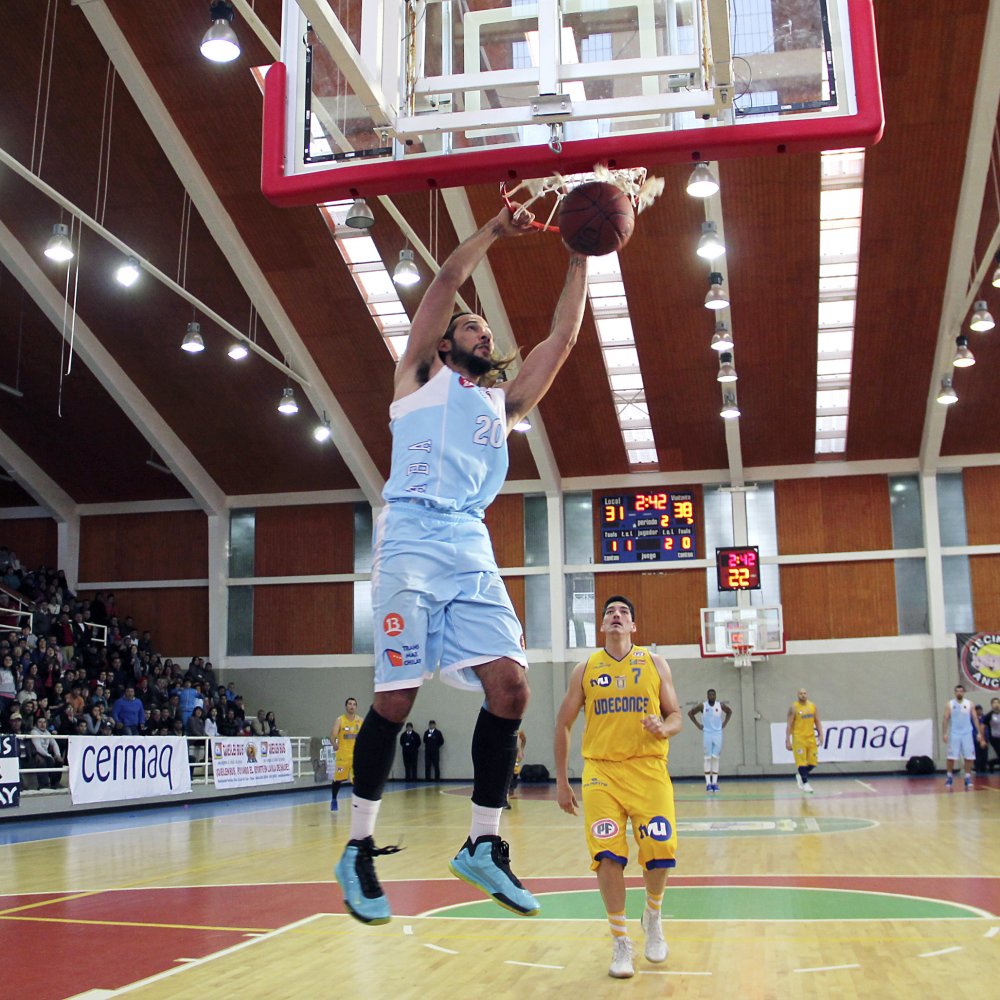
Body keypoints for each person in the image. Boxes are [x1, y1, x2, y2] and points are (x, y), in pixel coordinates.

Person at [335, 202, 588, 926]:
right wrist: (491, 235)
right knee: (396, 700)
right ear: (445, 348)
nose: (485, 332)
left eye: (487, 329)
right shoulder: (417, 377)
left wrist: (581, 253)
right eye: (473, 328)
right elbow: (446, 279)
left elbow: (563, 338)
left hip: (469, 541)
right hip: (411, 535)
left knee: (511, 688)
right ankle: (357, 847)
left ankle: (483, 843)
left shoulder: (500, 405)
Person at [554, 596, 682, 979]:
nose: (616, 615)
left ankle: (653, 915)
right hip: (601, 773)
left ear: (633, 627)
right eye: (610, 612)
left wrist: (665, 727)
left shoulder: (655, 664)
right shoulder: (586, 669)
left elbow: (675, 715)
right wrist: (561, 781)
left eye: (624, 612)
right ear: (602, 625)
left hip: (648, 769)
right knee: (607, 855)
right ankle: (620, 941)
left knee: (661, 848)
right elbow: (563, 724)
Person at [942, 684, 987, 790]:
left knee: (969, 756)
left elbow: (975, 718)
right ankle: (949, 776)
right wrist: (945, 733)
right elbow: (945, 719)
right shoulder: (950, 704)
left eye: (961, 691)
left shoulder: (969, 703)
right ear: (954, 692)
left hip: (967, 733)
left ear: (964, 692)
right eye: (957, 691)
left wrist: (979, 733)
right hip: (954, 733)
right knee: (951, 756)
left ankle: (967, 777)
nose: (959, 693)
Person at [688, 689, 732, 793]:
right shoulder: (702, 706)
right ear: (707, 696)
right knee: (707, 758)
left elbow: (729, 712)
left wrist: (724, 723)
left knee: (715, 758)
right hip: (707, 733)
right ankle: (708, 783)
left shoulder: (720, 705)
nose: (712, 696)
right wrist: (698, 725)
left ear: (716, 696)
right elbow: (690, 713)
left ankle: (715, 783)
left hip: (717, 734)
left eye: (713, 694)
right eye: (710, 694)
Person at [786, 688, 823, 793]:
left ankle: (801, 775)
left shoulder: (812, 706)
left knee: (813, 763)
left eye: (805, 693)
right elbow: (789, 724)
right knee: (801, 762)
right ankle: (805, 783)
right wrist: (787, 739)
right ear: (798, 695)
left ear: (807, 694)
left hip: (810, 738)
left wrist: (821, 735)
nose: (803, 695)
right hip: (799, 738)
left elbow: (817, 721)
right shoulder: (794, 707)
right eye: (801, 693)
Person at [330, 698, 362, 812]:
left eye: (354, 704)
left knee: (358, 781)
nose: (352, 706)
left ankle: (357, 803)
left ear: (356, 707)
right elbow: (332, 736)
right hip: (342, 755)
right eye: (350, 704)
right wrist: (334, 744)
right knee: (338, 780)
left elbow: (365, 737)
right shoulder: (340, 720)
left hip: (355, 756)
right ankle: (334, 799)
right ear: (346, 706)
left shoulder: (360, 721)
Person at [504, 729, 527, 808]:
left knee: (512, 780)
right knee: (509, 780)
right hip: (512, 764)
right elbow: (520, 755)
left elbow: (520, 756)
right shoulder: (515, 740)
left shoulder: (518, 740)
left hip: (514, 765)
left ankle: (509, 795)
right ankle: (506, 797)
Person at [983, 697, 1000, 771]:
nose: (996, 704)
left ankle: (992, 762)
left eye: (997, 703)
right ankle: (991, 762)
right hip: (995, 738)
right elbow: (982, 726)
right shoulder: (989, 715)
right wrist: (982, 739)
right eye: (994, 703)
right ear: (992, 705)